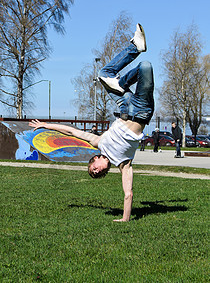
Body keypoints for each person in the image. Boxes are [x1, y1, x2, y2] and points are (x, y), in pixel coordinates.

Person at [29, 23, 154, 222]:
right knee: (145, 67)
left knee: (104, 74)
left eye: (92, 169)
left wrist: (46, 125)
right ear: (105, 170)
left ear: (94, 160)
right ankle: (121, 82)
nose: (96, 171)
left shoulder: (99, 142)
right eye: (98, 174)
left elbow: (72, 132)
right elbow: (128, 194)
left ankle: (135, 48)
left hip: (124, 108)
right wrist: (125, 219)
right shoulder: (124, 164)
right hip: (140, 110)